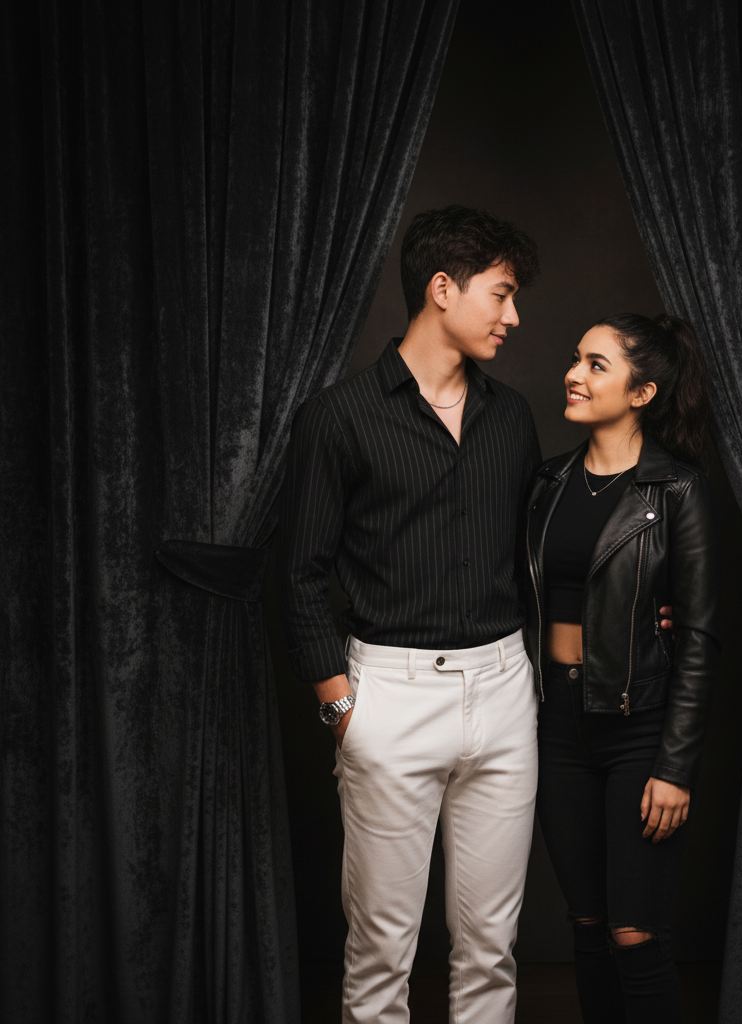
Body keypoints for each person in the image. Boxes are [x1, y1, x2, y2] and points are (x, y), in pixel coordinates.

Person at [277, 205, 544, 1024]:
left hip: (504, 691)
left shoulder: (513, 417)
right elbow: (300, 574)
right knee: (380, 956)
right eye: (501, 293)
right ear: (442, 289)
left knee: (491, 952)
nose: (513, 316)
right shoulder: (339, 415)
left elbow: (535, 559)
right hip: (388, 697)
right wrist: (342, 711)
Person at [525, 312, 721, 1023]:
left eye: (596, 365)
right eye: (576, 359)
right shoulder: (547, 482)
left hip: (640, 729)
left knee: (633, 933)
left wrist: (676, 767)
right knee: (586, 925)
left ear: (642, 393)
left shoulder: (677, 491)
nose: (574, 375)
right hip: (555, 724)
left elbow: (699, 636)